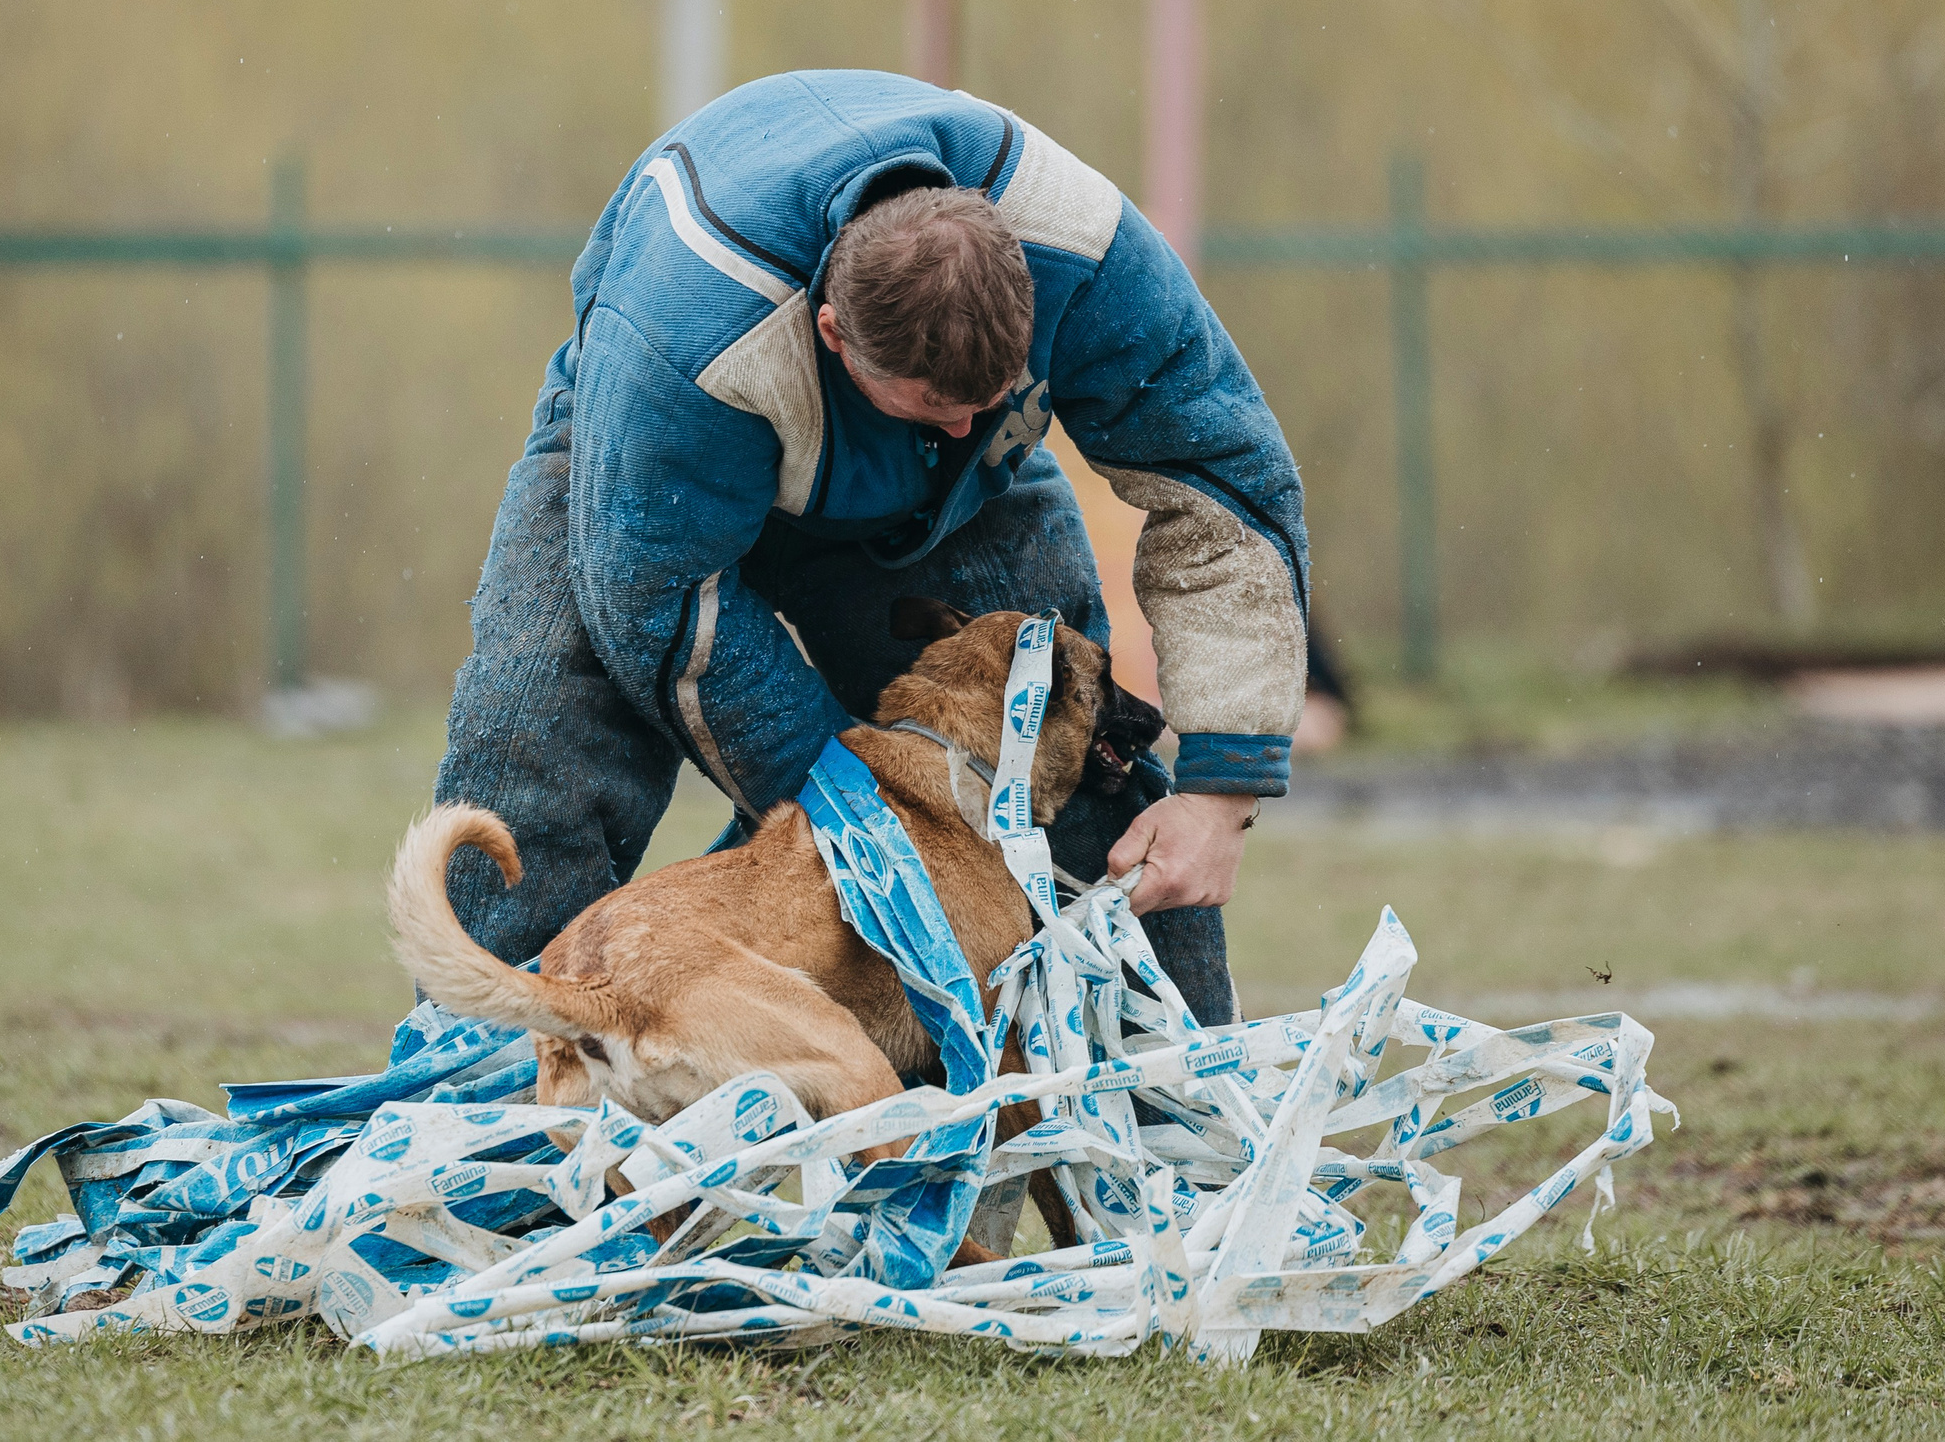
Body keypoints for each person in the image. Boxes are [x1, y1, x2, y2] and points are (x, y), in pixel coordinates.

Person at [433, 71, 1311, 1026]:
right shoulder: (690, 338)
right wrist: (869, 818)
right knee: (530, 772)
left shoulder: (1083, 253)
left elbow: (1227, 493)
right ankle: (489, 1120)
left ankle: (1167, 1124)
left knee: (1061, 743)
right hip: (642, 474)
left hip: (952, 492)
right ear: (835, 335)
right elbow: (661, 607)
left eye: (994, 394)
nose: (975, 416)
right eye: (942, 401)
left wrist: (1222, 794)